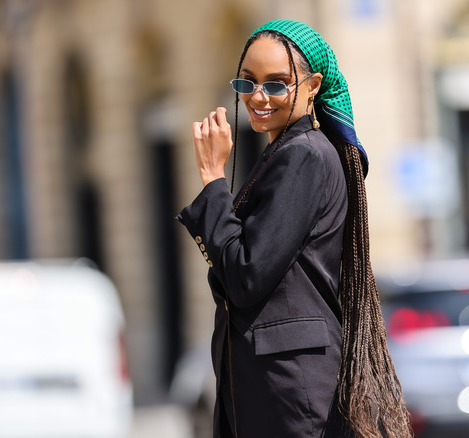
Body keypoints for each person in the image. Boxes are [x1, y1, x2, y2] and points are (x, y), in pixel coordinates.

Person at [176, 20, 411, 438]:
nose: (259, 98)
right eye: (247, 83)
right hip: (277, 389)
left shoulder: (301, 156)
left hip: (291, 391)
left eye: (277, 84)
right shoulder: (288, 153)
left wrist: (213, 179)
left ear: (313, 85)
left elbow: (246, 275)